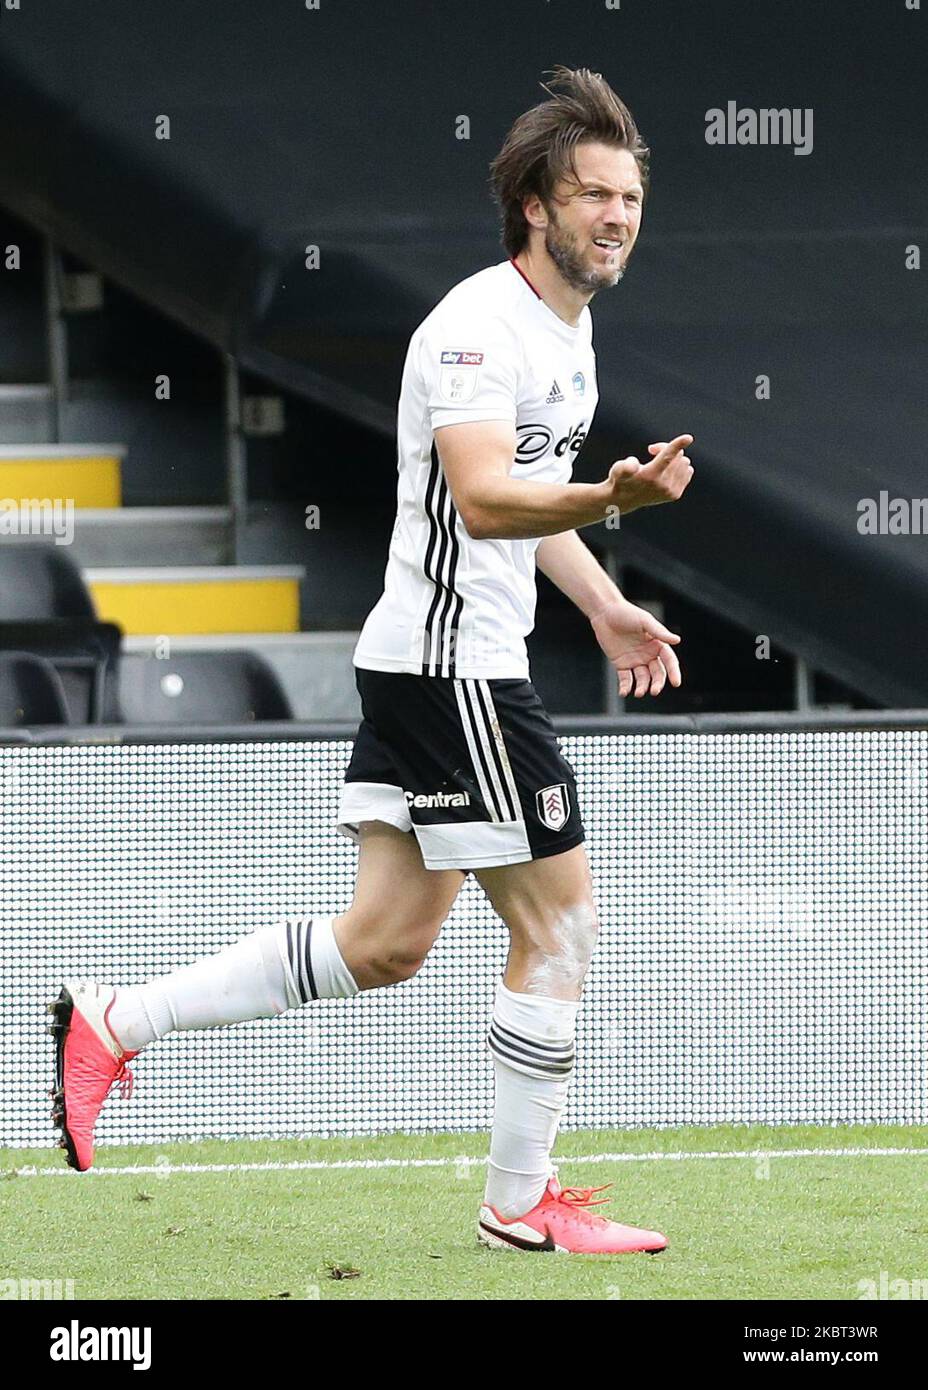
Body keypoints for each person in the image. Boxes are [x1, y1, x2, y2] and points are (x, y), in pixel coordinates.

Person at [50, 65, 693, 1255]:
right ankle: (518, 1200)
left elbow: (523, 508)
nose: (617, 217)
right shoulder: (471, 329)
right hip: (452, 670)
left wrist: (602, 602)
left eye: (629, 198)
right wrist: (611, 495)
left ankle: (111, 1022)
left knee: (384, 942)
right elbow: (487, 497)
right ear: (536, 207)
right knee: (561, 923)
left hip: (436, 660)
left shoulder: (568, 327)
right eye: (594, 195)